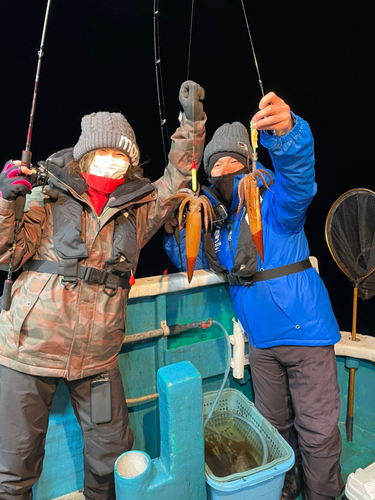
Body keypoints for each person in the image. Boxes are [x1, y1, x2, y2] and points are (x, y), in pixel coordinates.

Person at [0, 80, 206, 500]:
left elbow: (178, 175)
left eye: (121, 156)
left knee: (111, 459)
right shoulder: (45, 194)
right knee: (14, 467)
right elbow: (7, 255)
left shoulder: (139, 209)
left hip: (97, 359)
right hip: (27, 352)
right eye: (103, 154)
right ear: (85, 156)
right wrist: (7, 202)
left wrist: (193, 123)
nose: (111, 163)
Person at [164, 91, 344, 500]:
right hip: (261, 343)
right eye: (216, 164)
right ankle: (285, 485)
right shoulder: (215, 221)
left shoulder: (275, 200)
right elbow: (186, 258)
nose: (225, 169)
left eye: (233, 161)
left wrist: (289, 135)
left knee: (317, 431)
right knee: (273, 427)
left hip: (306, 335)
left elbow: (299, 181)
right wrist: (176, 224)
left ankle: (323, 495)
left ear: (249, 164)